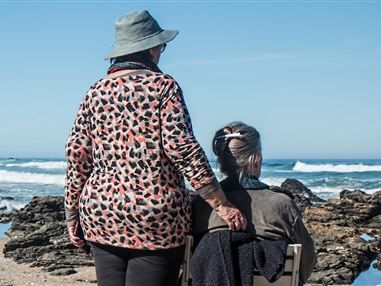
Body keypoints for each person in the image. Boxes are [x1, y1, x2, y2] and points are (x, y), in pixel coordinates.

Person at [64, 10, 247, 286]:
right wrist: (221, 204)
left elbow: (77, 155)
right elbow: (182, 148)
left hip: (101, 214)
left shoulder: (95, 91)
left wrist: (71, 214)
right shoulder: (163, 87)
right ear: (149, 48)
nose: (161, 52)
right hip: (155, 219)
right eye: (160, 46)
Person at [192, 122, 316, 285]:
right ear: (256, 158)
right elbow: (306, 261)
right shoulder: (282, 204)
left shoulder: (200, 206)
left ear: (221, 161)